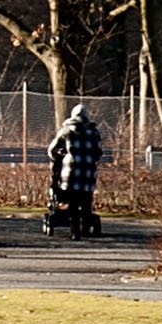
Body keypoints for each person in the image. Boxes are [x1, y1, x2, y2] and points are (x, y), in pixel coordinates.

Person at [46, 101, 106, 237]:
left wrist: (58, 157)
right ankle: (85, 227)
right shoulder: (93, 132)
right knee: (86, 200)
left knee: (72, 201)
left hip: (70, 172)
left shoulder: (66, 131)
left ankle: (75, 231)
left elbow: (51, 150)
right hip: (88, 173)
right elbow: (98, 153)